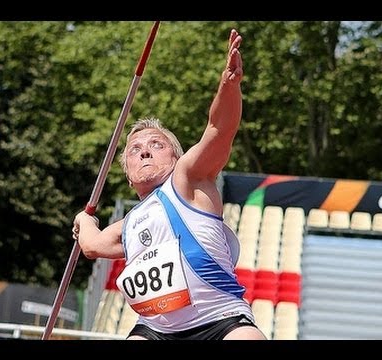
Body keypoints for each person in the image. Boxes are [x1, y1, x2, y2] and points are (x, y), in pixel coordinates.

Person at [72, 29, 267, 340]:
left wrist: (228, 86)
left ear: (178, 158)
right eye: (135, 150)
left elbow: (219, 128)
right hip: (157, 330)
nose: (145, 150)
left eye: (156, 144)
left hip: (220, 320)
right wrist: (84, 219)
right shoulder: (131, 222)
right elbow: (93, 245)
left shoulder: (188, 179)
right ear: (128, 173)